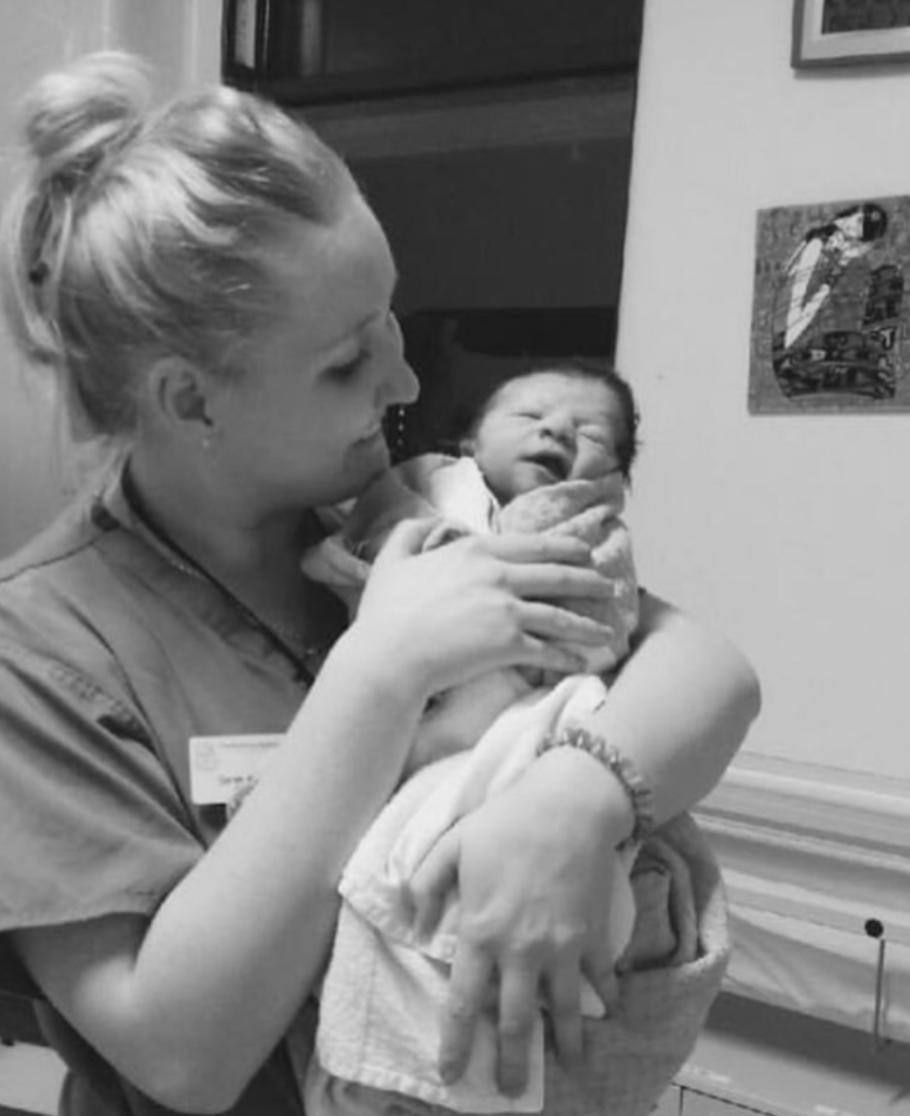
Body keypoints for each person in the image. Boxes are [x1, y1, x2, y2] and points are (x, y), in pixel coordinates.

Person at [0, 51, 760, 1116]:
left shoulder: (411, 511)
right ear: (191, 401)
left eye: (393, 321)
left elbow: (706, 671)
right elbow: (181, 1054)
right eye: (347, 363)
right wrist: (380, 674)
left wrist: (574, 803)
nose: (404, 383)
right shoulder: (40, 650)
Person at [301, 360, 640, 774]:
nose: (557, 429)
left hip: (523, 720)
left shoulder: (597, 534)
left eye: (593, 435)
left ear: (611, 480)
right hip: (403, 709)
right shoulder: (423, 486)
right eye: (529, 415)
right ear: (469, 444)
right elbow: (373, 536)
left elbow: (607, 623)